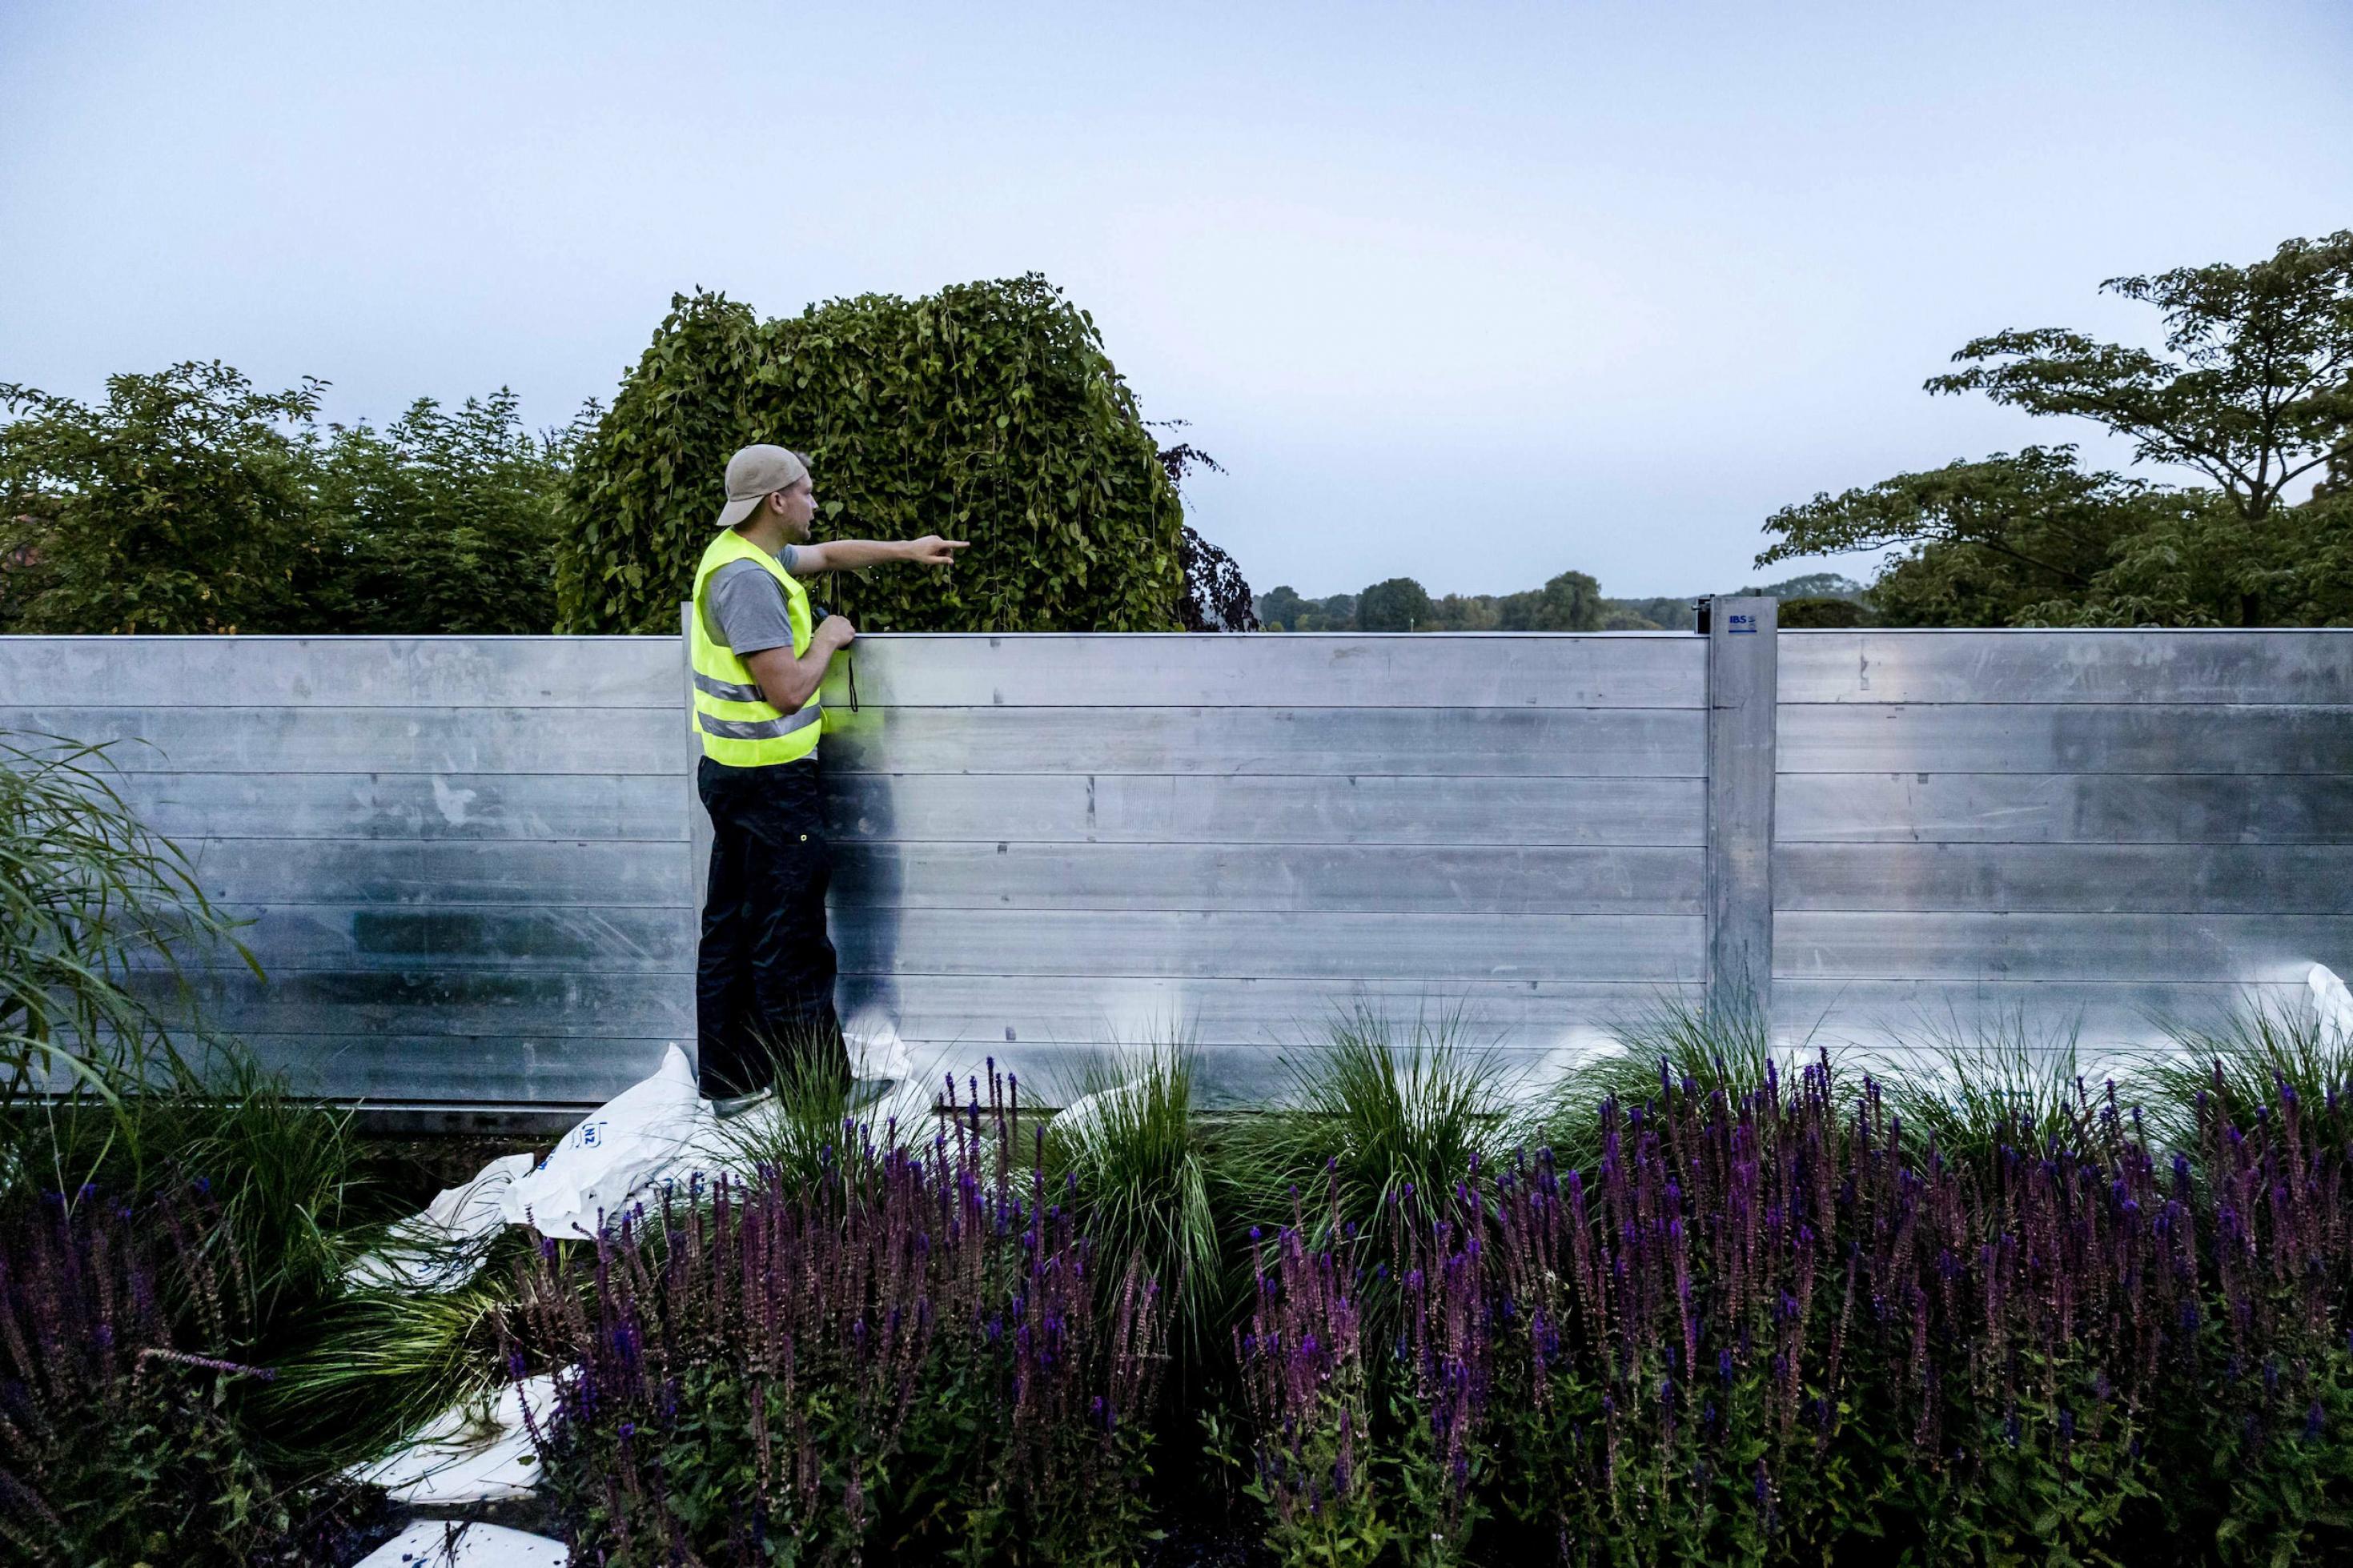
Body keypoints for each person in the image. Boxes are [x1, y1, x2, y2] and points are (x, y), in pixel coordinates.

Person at [689, 443, 966, 1101]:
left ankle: (731, 1083)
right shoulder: (748, 581)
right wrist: (829, 636)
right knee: (793, 941)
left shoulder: (745, 555)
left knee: (732, 928)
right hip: (771, 786)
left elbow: (832, 553)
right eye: (807, 492)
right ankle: (819, 1094)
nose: (816, 504)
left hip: (735, 776)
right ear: (776, 500)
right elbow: (786, 689)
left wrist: (907, 549)